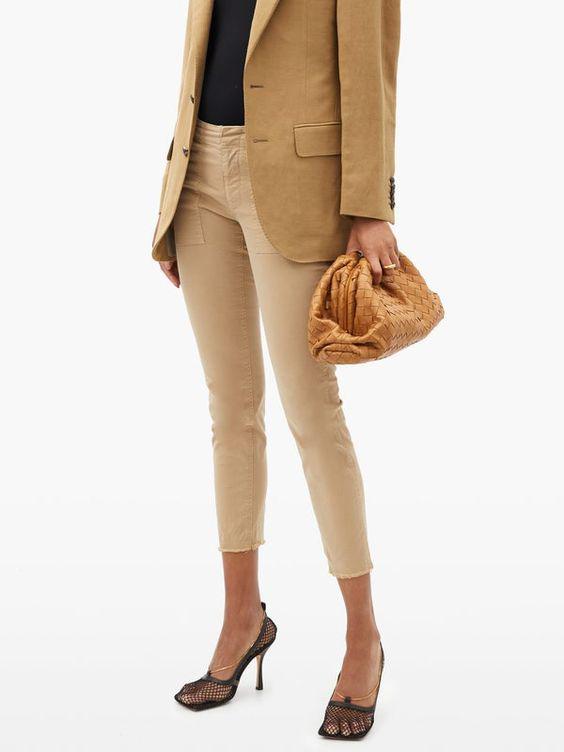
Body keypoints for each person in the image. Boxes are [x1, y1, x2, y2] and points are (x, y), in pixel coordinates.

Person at [151, 0, 401, 740]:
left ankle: (363, 638)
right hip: (200, 174)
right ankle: (242, 618)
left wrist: (370, 206)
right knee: (230, 412)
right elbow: (203, 50)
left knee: (312, 413)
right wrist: (169, 197)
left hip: (295, 186)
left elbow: (370, 68)